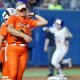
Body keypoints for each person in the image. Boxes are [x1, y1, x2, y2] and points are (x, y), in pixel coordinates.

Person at [0, 1, 48, 80]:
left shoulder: (28, 21)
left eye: (24, 9)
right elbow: (9, 29)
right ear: (17, 11)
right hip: (12, 48)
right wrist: (24, 35)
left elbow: (45, 22)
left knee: (19, 76)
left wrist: (34, 14)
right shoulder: (13, 18)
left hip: (24, 49)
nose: (22, 11)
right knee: (12, 74)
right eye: (20, 10)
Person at [0, 8, 16, 80]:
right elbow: (1, 40)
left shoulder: (17, 25)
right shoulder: (5, 25)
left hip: (14, 50)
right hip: (6, 51)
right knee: (7, 74)